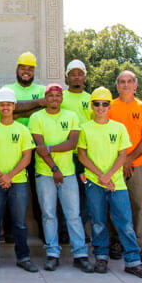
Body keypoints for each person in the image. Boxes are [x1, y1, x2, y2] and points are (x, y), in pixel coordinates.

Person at [77, 87, 142, 280]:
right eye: (97, 103)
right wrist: (101, 175)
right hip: (94, 183)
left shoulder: (118, 128)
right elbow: (82, 155)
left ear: (109, 106)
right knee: (98, 222)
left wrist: (109, 175)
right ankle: (101, 257)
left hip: (116, 183)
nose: (101, 107)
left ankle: (133, 261)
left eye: (105, 104)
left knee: (125, 223)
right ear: (91, 105)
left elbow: (122, 155)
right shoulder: (85, 128)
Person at [29, 83, 94, 273]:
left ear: (62, 98)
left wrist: (50, 149)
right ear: (45, 98)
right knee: (49, 214)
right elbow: (39, 148)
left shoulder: (71, 116)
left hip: (68, 173)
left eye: (58, 96)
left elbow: (72, 143)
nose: (54, 99)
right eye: (51, 96)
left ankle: (80, 254)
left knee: (73, 215)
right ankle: (52, 254)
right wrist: (54, 166)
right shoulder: (36, 117)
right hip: (45, 173)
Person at [0, 87, 38, 273]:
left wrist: (9, 176)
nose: (5, 107)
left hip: (18, 181)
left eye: (8, 104)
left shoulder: (22, 130)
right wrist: (0, 176)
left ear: (14, 106)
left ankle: (23, 257)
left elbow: (27, 157)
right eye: (2, 104)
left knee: (19, 222)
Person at [108, 70, 142, 262]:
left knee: (138, 204)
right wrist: (120, 161)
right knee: (113, 205)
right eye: (121, 82)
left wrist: (129, 159)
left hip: (137, 164)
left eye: (129, 82)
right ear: (117, 86)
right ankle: (117, 242)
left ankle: (136, 243)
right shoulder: (109, 106)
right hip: (113, 165)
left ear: (135, 85)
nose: (125, 85)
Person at [4, 51, 46, 240]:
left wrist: (20, 110)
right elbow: (8, 113)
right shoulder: (8, 89)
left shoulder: (43, 89)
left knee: (39, 192)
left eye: (30, 69)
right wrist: (36, 104)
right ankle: (9, 231)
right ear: (17, 69)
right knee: (8, 187)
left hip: (38, 147)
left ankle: (45, 232)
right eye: (23, 68)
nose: (26, 72)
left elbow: (45, 110)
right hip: (12, 148)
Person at [60, 59, 93, 233]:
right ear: (67, 77)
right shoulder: (61, 98)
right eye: (73, 74)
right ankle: (65, 232)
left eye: (80, 74)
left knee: (84, 193)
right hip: (65, 155)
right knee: (64, 194)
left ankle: (79, 230)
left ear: (84, 77)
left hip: (84, 156)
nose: (77, 77)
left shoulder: (91, 99)